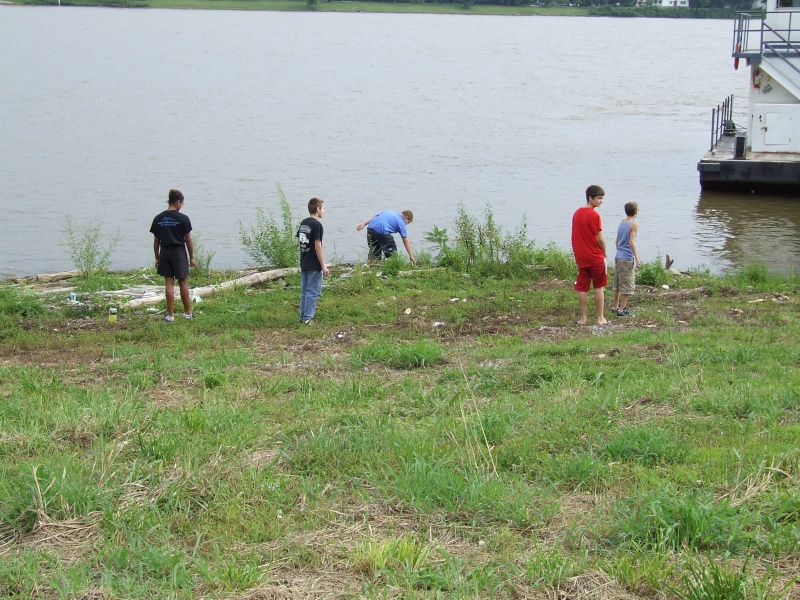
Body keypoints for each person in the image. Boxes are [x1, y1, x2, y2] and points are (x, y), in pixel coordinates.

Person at [150, 189, 196, 322]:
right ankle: (187, 313)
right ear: (177, 202)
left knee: (169, 284)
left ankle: (170, 316)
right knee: (183, 283)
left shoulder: (158, 218)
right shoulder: (183, 218)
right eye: (182, 203)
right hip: (179, 252)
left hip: (165, 252)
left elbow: (156, 240)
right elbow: (188, 240)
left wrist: (157, 257)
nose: (181, 205)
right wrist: (192, 257)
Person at [571, 185, 608, 326]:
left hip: (581, 255)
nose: (601, 201)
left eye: (602, 198)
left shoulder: (577, 213)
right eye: (599, 198)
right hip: (594, 255)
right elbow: (600, 238)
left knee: (582, 286)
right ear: (590, 198)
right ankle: (600, 318)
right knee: (599, 286)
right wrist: (604, 253)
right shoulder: (594, 215)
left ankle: (583, 318)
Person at [297, 197, 329, 324]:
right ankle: (308, 318)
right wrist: (323, 265)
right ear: (317, 209)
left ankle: (303, 316)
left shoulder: (304, 222)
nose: (324, 211)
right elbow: (318, 246)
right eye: (323, 208)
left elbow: (301, 240)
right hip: (313, 263)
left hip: (304, 261)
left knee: (305, 291)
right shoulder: (317, 225)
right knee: (313, 292)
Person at [611, 202, 642, 317]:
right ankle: (622, 309)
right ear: (636, 212)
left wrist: (619, 251)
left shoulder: (622, 223)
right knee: (627, 285)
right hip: (627, 258)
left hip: (618, 256)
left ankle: (615, 306)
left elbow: (616, 241)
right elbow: (631, 242)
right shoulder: (634, 225)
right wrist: (637, 258)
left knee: (618, 284)